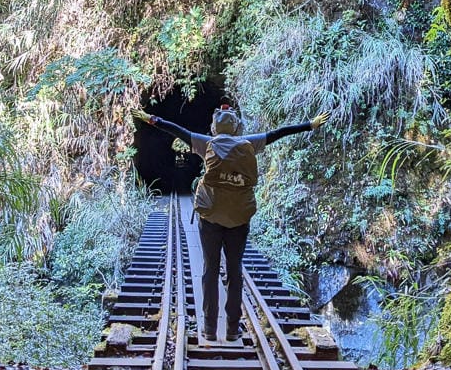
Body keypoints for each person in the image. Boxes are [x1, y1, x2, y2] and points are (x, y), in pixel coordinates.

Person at [134, 104, 329, 343]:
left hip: (210, 216)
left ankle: (208, 329)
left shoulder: (205, 142)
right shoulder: (250, 143)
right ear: (236, 128)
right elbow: (280, 132)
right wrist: (310, 124)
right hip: (239, 218)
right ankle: (233, 330)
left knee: (210, 270)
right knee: (234, 271)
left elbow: (176, 130)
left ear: (215, 127)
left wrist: (151, 119)